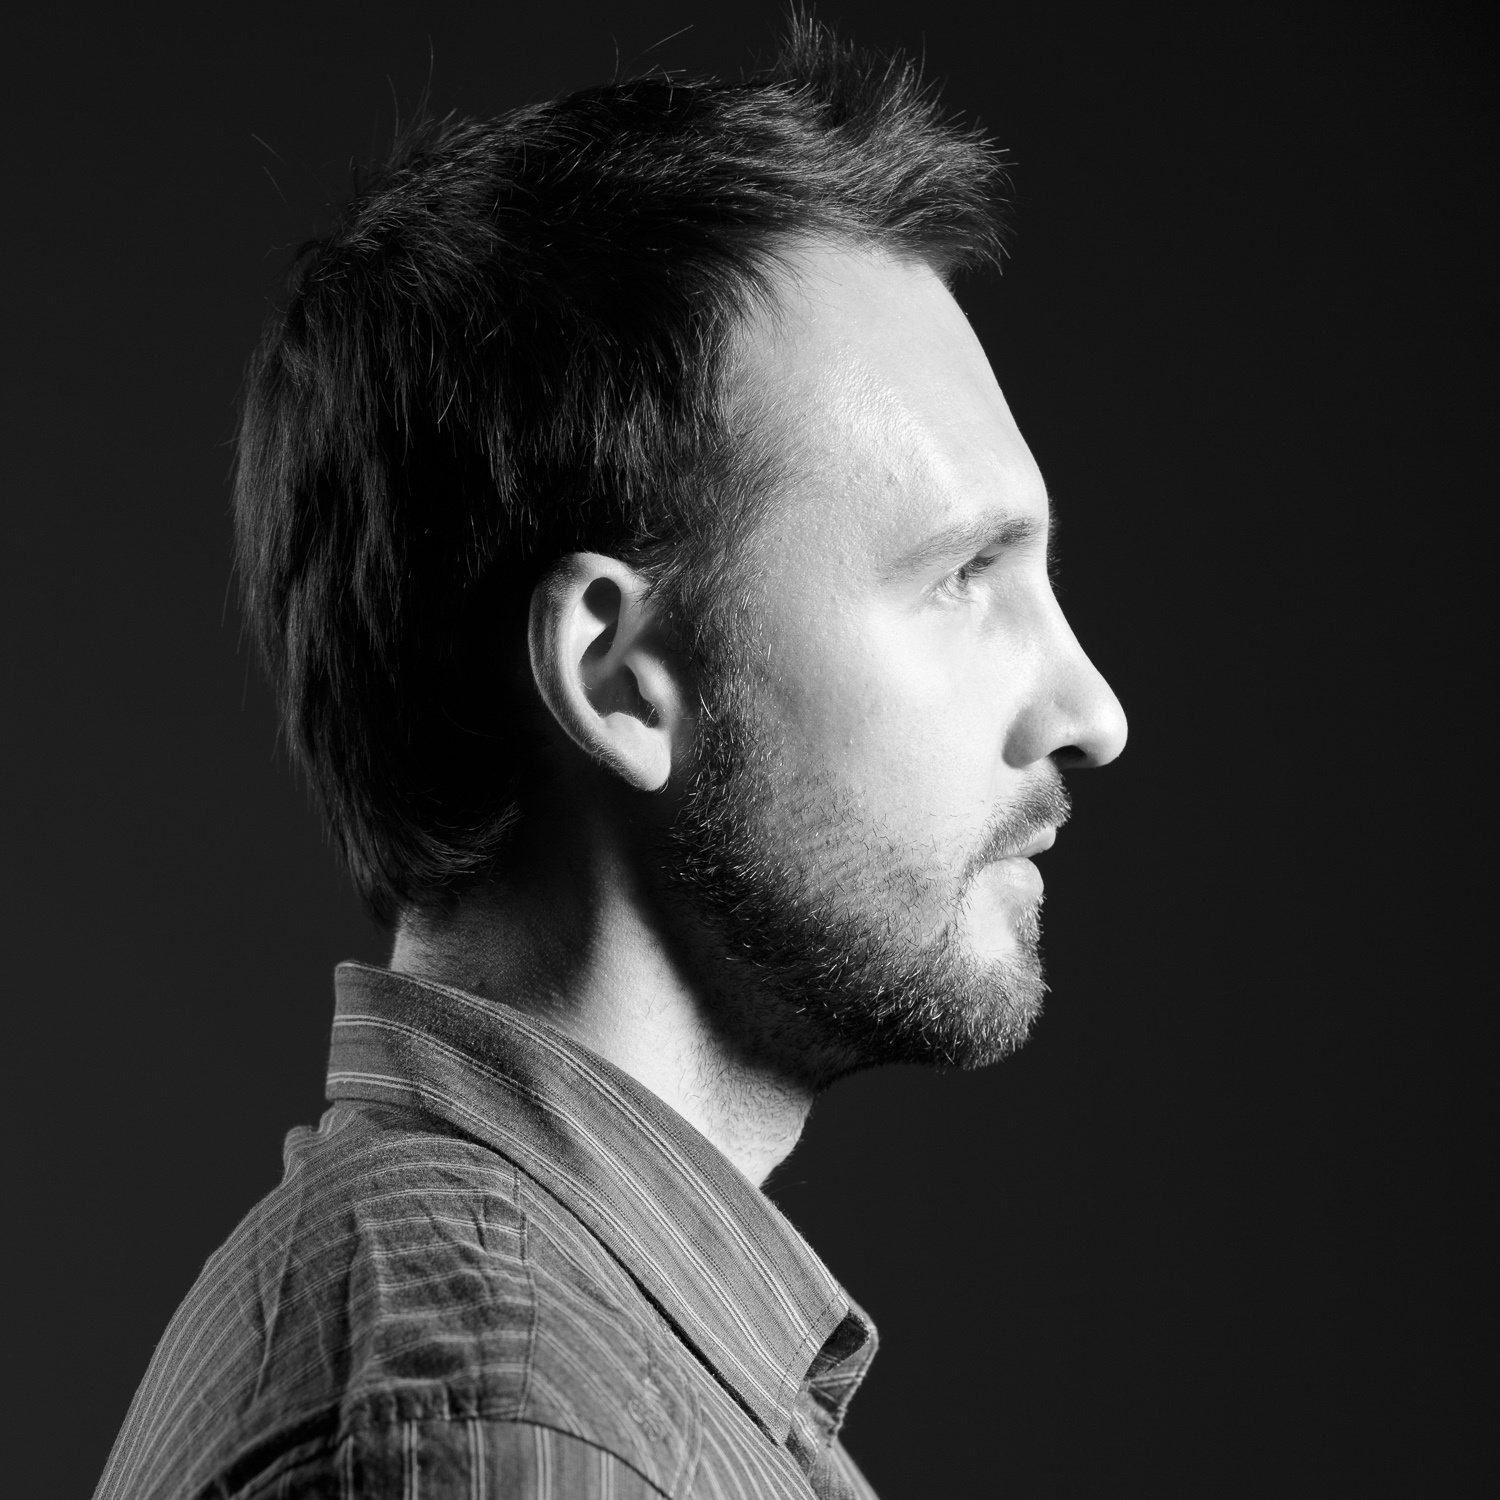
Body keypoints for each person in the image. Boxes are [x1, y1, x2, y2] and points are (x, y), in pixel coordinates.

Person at [96, 18, 1125, 1500]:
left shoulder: (587, 1356)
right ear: (618, 678)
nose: (1091, 710)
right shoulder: (509, 1429)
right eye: (966, 577)